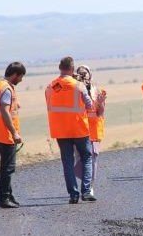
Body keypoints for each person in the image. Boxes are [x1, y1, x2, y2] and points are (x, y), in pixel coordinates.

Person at [46, 56, 97, 204]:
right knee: (86, 157)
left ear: (59, 68)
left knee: (67, 161)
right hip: (79, 128)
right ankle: (86, 191)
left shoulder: (51, 86)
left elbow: (48, 103)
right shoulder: (78, 85)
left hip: (60, 131)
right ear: (72, 69)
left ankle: (73, 195)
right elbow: (89, 105)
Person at [0, 62, 26, 209]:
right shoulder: (6, 89)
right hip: (5, 133)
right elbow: (5, 111)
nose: (21, 80)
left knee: (6, 167)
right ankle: (4, 198)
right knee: (8, 168)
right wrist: (14, 132)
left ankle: (8, 195)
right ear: (15, 75)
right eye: (20, 77)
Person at [73, 65, 106, 196]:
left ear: (89, 75)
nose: (83, 76)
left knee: (93, 158)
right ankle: (84, 185)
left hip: (93, 130)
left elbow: (100, 112)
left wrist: (101, 102)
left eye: (85, 73)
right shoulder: (74, 90)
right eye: (80, 74)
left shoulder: (96, 90)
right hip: (79, 129)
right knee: (80, 158)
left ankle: (89, 186)